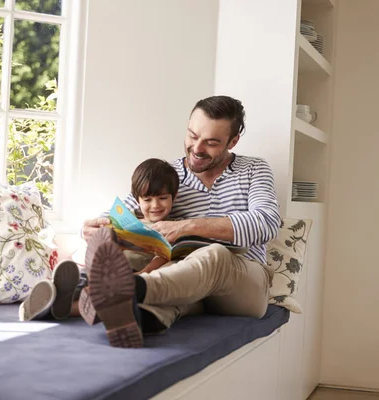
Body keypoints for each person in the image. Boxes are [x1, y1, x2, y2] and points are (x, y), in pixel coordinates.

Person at [82, 95, 281, 348]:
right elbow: (124, 211)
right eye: (192, 135)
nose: (197, 148)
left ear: (233, 141)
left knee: (214, 255)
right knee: (169, 286)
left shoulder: (254, 169)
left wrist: (185, 226)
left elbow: (266, 222)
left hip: (242, 285)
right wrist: (95, 226)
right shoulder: (168, 175)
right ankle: (133, 316)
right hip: (188, 281)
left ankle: (130, 287)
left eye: (211, 143)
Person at [19, 158, 180, 322]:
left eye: (162, 198)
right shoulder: (128, 219)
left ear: (174, 197)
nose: (155, 205)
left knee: (106, 296)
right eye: (147, 199)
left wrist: (142, 274)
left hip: (130, 274)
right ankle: (53, 295)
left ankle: (52, 309)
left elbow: (164, 256)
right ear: (137, 199)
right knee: (83, 279)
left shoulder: (174, 227)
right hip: (105, 268)